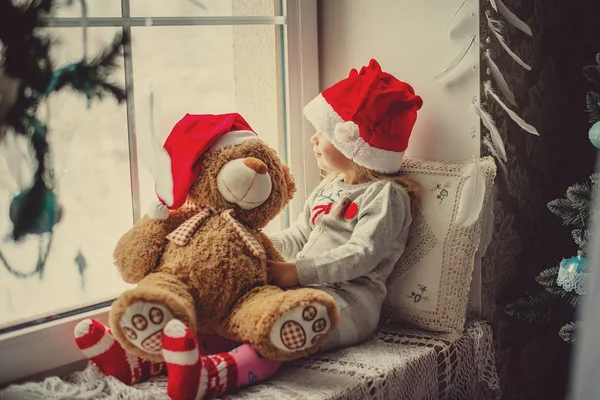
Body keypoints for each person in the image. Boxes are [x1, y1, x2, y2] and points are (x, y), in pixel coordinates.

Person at [75, 58, 422, 400]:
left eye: (326, 132)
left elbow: (361, 256)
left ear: (355, 143)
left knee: (279, 330)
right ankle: (143, 360)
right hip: (303, 284)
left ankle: (217, 376)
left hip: (347, 301)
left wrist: (294, 273)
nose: (314, 139)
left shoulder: (386, 196)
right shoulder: (330, 185)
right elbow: (300, 234)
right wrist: (251, 248)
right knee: (236, 312)